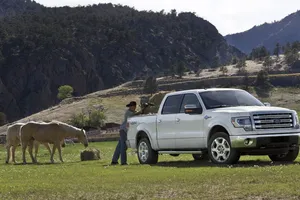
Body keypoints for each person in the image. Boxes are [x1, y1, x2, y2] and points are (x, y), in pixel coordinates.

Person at [111, 101, 144, 165]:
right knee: (123, 147)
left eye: (131, 106)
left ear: (134, 106)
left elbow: (137, 114)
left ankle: (114, 161)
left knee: (119, 147)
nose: (131, 107)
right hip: (124, 131)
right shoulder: (128, 113)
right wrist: (141, 111)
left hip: (124, 131)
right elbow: (135, 115)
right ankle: (123, 162)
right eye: (130, 106)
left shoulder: (132, 112)